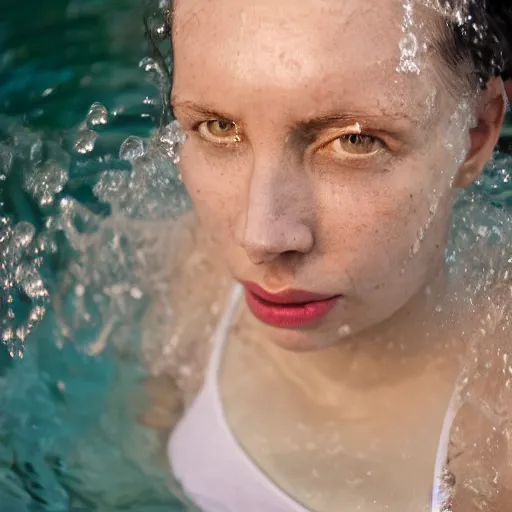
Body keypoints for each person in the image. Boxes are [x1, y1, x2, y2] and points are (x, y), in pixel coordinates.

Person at [139, 0, 512, 510]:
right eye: (218, 128)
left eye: (355, 141)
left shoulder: (498, 444)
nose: (261, 237)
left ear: (474, 136)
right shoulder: (192, 269)